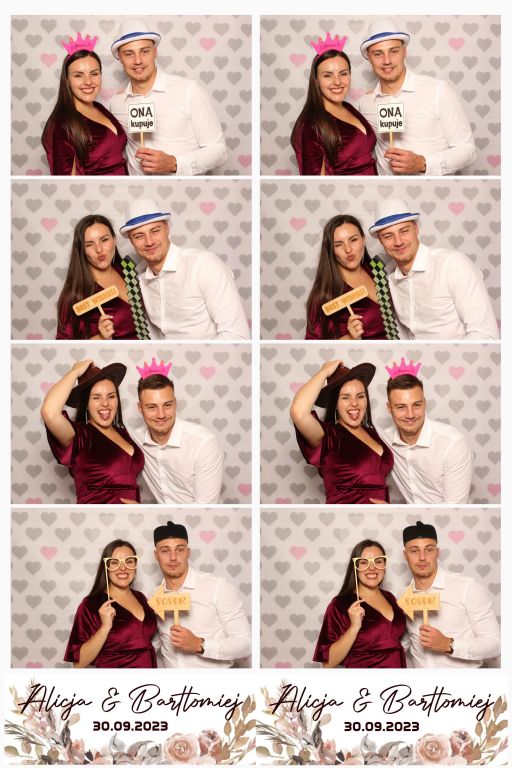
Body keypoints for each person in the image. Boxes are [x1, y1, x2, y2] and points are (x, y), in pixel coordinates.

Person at [358, 19, 477, 176]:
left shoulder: (439, 90)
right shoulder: (365, 103)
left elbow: (468, 150)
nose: (387, 60)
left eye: (394, 51)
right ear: (369, 57)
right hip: (387, 187)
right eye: (378, 54)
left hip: (431, 189)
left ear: (404, 52)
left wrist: (423, 163)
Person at [120, 198, 250, 339]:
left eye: (155, 231)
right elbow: (154, 338)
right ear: (131, 241)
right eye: (139, 236)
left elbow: (237, 336)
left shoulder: (204, 265)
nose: (149, 241)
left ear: (167, 228)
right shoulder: (140, 282)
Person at [369, 198, 499, 339]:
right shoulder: (390, 282)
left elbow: (486, 335)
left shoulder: (453, 265)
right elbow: (404, 339)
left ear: (416, 229)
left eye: (404, 231)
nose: (398, 241)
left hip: (459, 353)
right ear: (380, 241)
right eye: (388, 236)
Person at [109, 20, 227, 176]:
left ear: (155, 52)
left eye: (144, 51)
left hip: (181, 188)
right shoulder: (116, 103)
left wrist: (174, 163)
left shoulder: (189, 91)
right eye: (129, 54)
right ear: (120, 57)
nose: (137, 60)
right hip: (138, 188)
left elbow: (219, 150)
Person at [41, 360, 144, 504]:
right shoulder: (80, 437)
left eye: (111, 396)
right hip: (96, 517)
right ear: (86, 404)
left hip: (133, 517)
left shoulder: (123, 433)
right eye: (96, 397)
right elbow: (49, 412)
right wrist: (75, 372)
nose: (105, 403)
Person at [290, 360, 393, 504]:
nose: (355, 403)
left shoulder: (373, 433)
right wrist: (324, 372)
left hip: (382, 517)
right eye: (345, 397)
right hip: (345, 517)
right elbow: (298, 412)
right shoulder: (329, 437)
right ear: (335, 404)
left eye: (360, 396)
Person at [152, 521, 251, 668]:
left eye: (179, 549)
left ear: (188, 552)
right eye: (165, 550)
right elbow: (152, 644)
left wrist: (199, 644)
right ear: (156, 555)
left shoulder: (218, 587)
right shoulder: (153, 598)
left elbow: (246, 644)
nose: (173, 557)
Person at [402, 521, 500, 668]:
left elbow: (495, 644)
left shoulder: (468, 587)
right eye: (414, 551)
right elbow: (402, 643)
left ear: (437, 552)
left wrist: (449, 644)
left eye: (429, 549)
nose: (422, 557)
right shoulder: (402, 597)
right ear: (405, 555)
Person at [133, 360, 223, 504]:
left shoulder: (203, 443)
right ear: (140, 408)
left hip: (205, 517)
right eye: (152, 407)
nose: (161, 414)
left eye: (167, 405)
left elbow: (205, 509)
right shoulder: (134, 439)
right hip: (165, 517)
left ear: (175, 403)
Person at [383, 359, 472, 504]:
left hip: (454, 517)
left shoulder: (453, 444)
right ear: (389, 408)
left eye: (416, 405)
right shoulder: (384, 439)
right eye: (401, 407)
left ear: (424, 403)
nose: (410, 414)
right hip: (414, 518)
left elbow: (455, 509)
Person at [291, 34, 377, 176]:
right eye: (327, 75)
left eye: (343, 74)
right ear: (316, 80)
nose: (337, 82)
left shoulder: (349, 108)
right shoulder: (311, 126)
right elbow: (317, 183)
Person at [42, 36, 128, 175]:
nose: (88, 82)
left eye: (94, 74)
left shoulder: (100, 108)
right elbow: (67, 183)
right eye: (78, 75)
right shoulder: (62, 126)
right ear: (67, 80)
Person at [65, 539, 157, 668]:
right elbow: (78, 664)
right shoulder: (90, 605)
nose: (123, 567)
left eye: (129, 561)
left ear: (135, 565)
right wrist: (105, 627)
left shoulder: (141, 598)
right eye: (115, 562)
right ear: (106, 567)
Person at [314, 539, 406, 668]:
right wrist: (354, 628)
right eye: (364, 562)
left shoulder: (390, 598)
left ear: (384, 565)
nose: (372, 567)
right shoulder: (340, 604)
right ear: (355, 567)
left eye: (378, 561)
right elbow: (328, 664)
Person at [56, 214, 149, 340]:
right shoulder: (76, 293)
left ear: (114, 240)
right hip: (115, 353)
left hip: (149, 350)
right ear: (81, 250)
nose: (99, 249)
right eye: (89, 245)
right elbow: (64, 345)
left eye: (104, 240)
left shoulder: (127, 269)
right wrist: (101, 338)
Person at [305, 214, 398, 340]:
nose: (348, 249)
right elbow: (313, 346)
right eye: (338, 245)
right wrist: (350, 338)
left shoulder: (376, 269)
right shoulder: (324, 293)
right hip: (363, 353)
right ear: (331, 250)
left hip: (397, 350)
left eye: (353, 240)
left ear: (363, 240)